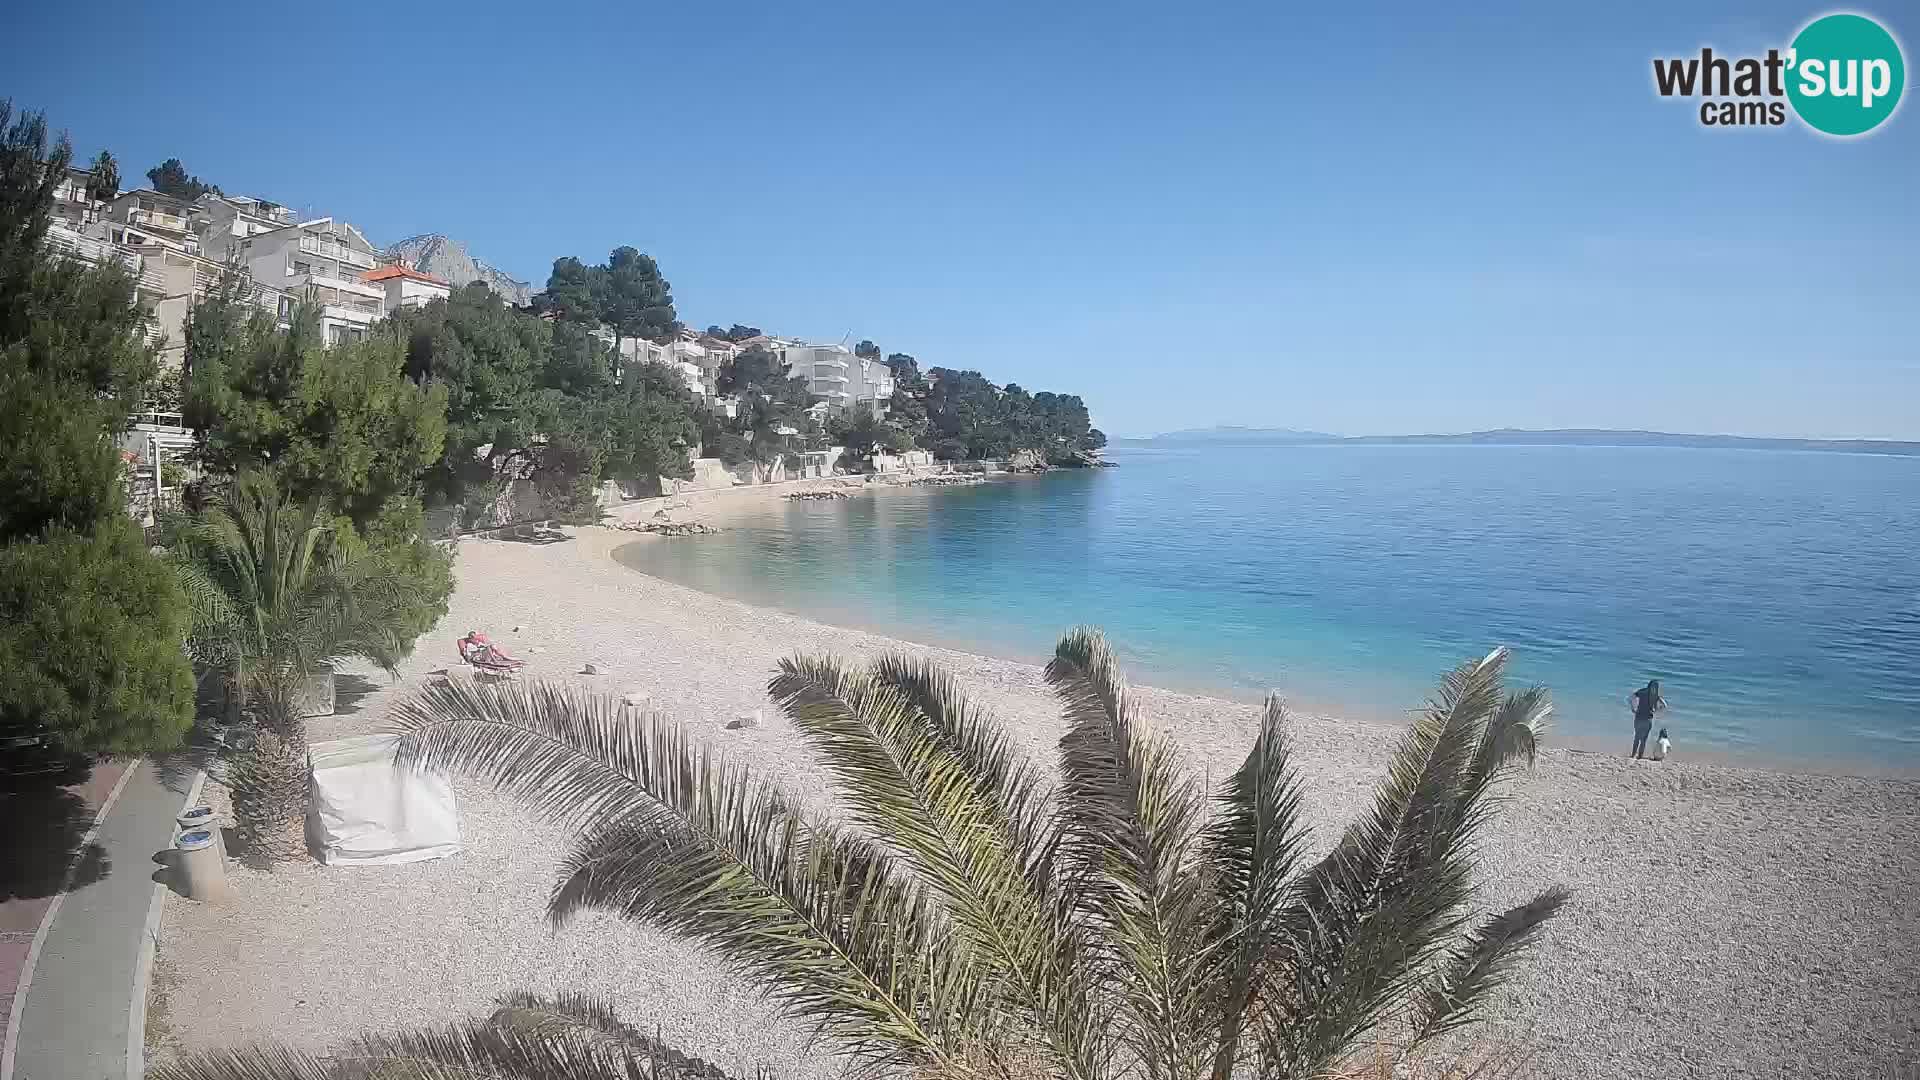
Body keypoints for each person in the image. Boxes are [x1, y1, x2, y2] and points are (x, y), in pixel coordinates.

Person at [1628, 679, 1665, 759]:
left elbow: (1630, 698)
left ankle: (1633, 755)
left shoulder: (1642, 691)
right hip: (1648, 719)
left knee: (1637, 737)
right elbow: (1664, 705)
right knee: (1644, 740)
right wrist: (1657, 710)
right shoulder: (1656, 695)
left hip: (1639, 718)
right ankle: (1640, 757)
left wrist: (1633, 708)